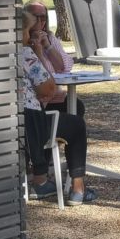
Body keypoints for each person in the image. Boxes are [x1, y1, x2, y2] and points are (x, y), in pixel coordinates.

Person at [21, 11, 97, 206]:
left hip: (9, 123)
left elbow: (64, 66)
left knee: (73, 107)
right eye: (28, 30)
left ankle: (40, 176)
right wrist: (38, 53)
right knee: (76, 125)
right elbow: (48, 88)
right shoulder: (25, 54)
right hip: (29, 123)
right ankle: (77, 189)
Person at [23, 0, 85, 118]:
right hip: (40, 99)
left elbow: (64, 67)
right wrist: (38, 53)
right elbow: (43, 81)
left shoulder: (49, 37)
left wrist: (48, 46)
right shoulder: (25, 45)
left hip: (52, 95)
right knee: (74, 111)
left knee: (77, 106)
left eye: (43, 17)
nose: (40, 21)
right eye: (35, 17)